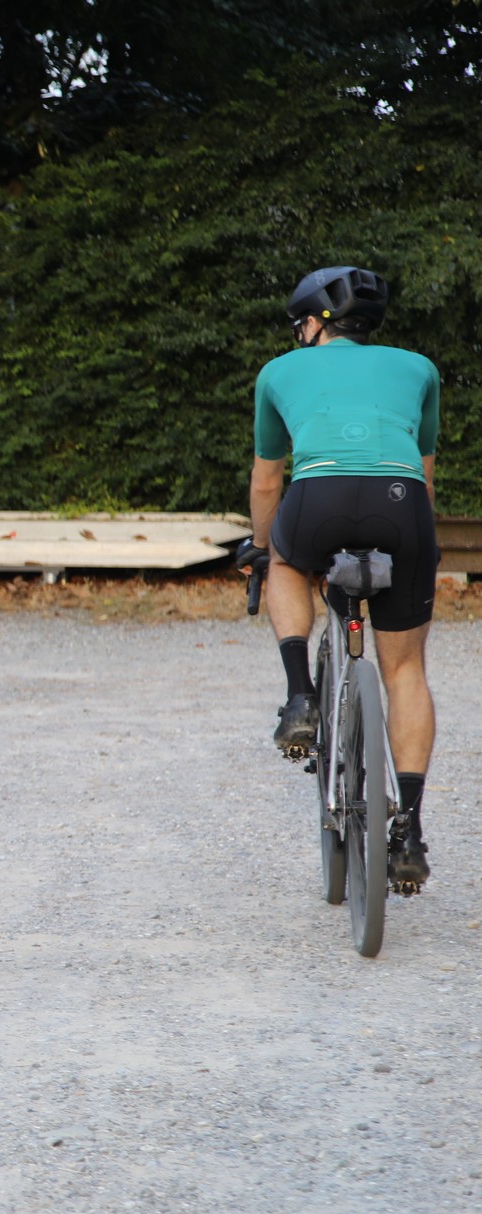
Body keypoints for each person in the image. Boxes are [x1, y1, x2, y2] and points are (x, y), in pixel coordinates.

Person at [244, 265, 440, 892]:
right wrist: (412, 541)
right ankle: (408, 830)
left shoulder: (279, 371)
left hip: (318, 497)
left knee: (282, 560)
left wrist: (259, 547)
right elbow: (424, 476)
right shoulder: (419, 368)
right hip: (401, 502)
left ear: (314, 323)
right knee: (404, 671)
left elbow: (267, 481)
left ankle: (300, 696)